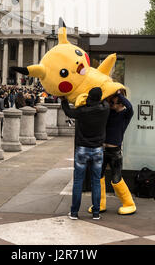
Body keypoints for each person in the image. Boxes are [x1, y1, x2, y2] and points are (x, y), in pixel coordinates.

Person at [61, 87, 110, 220]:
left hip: (82, 148)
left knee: (78, 181)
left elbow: (68, 112)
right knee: (96, 182)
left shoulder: (82, 111)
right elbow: (105, 100)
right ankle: (96, 212)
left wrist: (64, 100)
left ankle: (75, 212)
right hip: (98, 149)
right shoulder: (105, 109)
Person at [88, 90, 136, 215]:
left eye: (114, 103)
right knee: (99, 178)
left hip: (115, 152)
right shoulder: (109, 112)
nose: (112, 104)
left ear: (120, 104)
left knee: (116, 179)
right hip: (103, 150)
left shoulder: (126, 114)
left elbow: (130, 106)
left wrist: (119, 94)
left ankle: (129, 203)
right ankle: (99, 204)